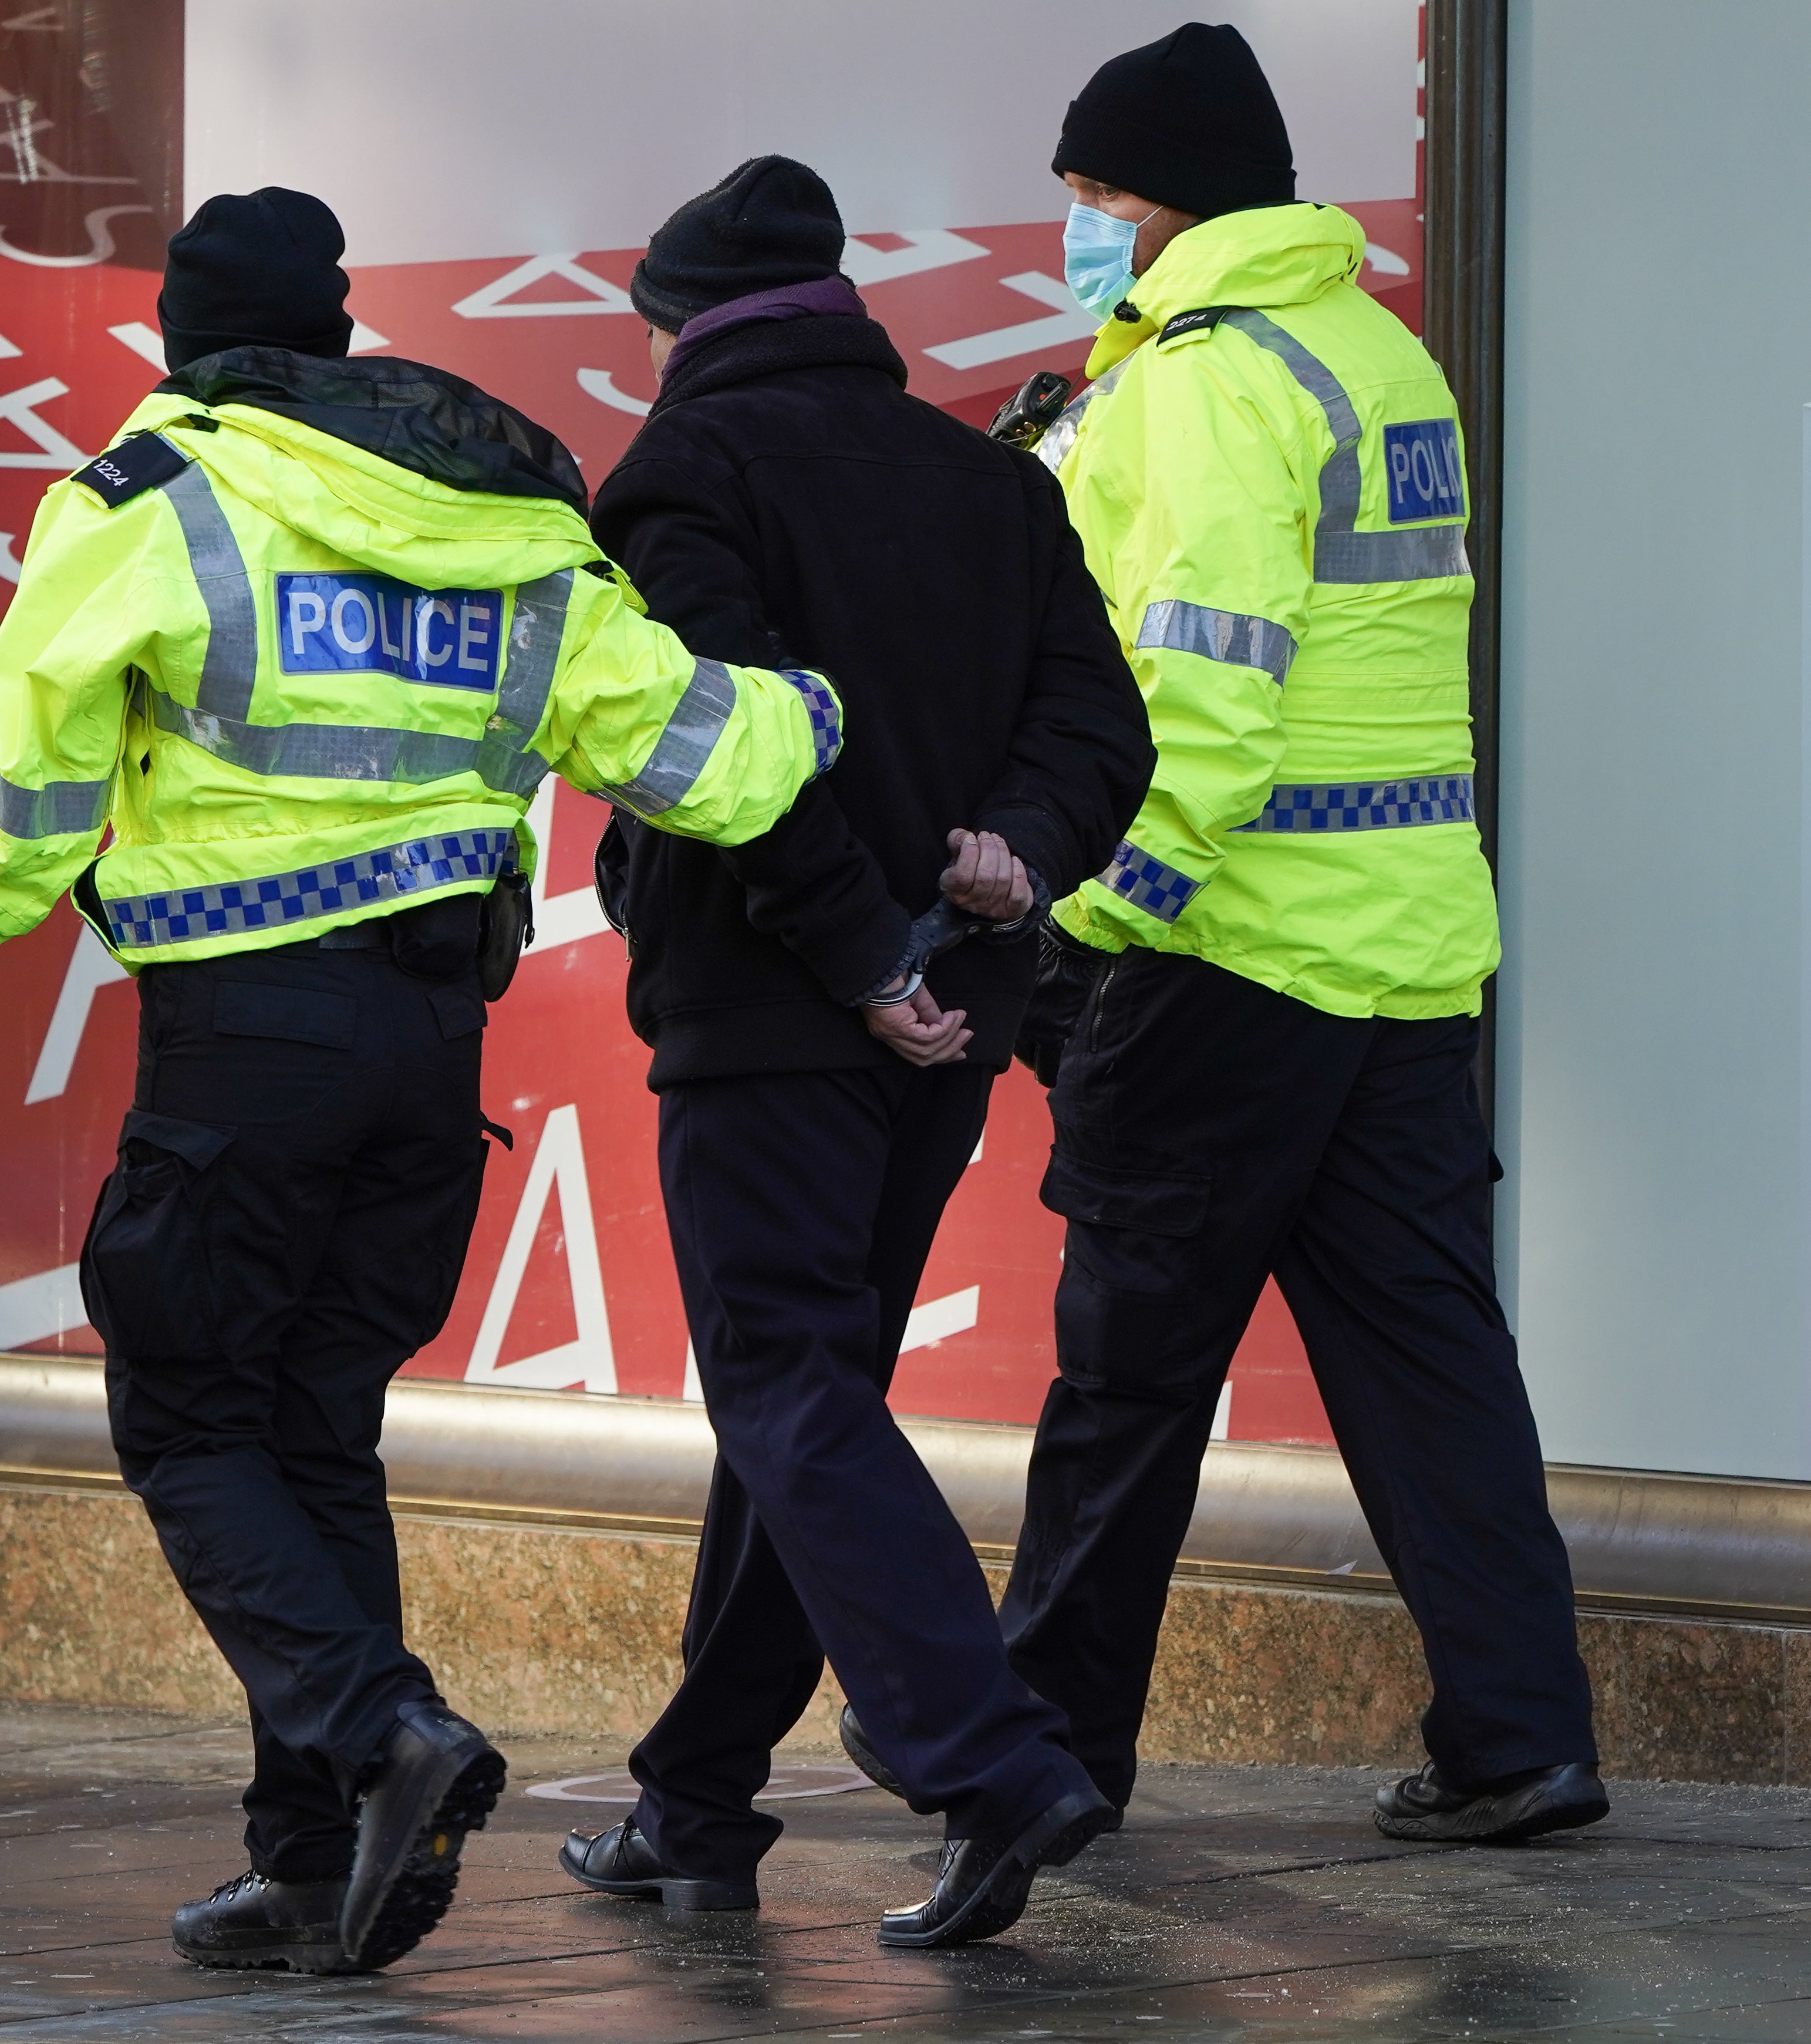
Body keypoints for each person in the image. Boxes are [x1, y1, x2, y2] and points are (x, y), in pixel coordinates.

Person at [0, 187, 843, 1975]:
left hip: (248, 1049)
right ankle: (309, 1864)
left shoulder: (152, 501)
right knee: (314, 1428)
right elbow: (690, 744)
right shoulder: (500, 509)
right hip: (427, 1060)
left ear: (185, 340)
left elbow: (16, 793)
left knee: (183, 1411)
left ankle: (386, 1733)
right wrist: (845, 711)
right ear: (333, 333)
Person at [953, 23, 1609, 1847]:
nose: (1082, 228)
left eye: (1093, 196)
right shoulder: (1378, 354)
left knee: (1130, 1375)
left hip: (1231, 952)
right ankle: (1520, 1732)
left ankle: (1046, 1753)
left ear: (1159, 198)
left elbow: (1201, 697)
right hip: (1403, 949)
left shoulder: (1197, 383)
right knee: (1430, 1358)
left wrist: (1093, 916)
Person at [552, 156, 1154, 1948]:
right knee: (799, 1389)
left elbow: (718, 756)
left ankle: (990, 1759)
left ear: (686, 330)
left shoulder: (682, 476)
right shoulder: (989, 479)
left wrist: (852, 948)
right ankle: (699, 1798)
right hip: (950, 1008)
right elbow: (1099, 724)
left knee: (785, 1382)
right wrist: (1021, 846)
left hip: (778, 1007)